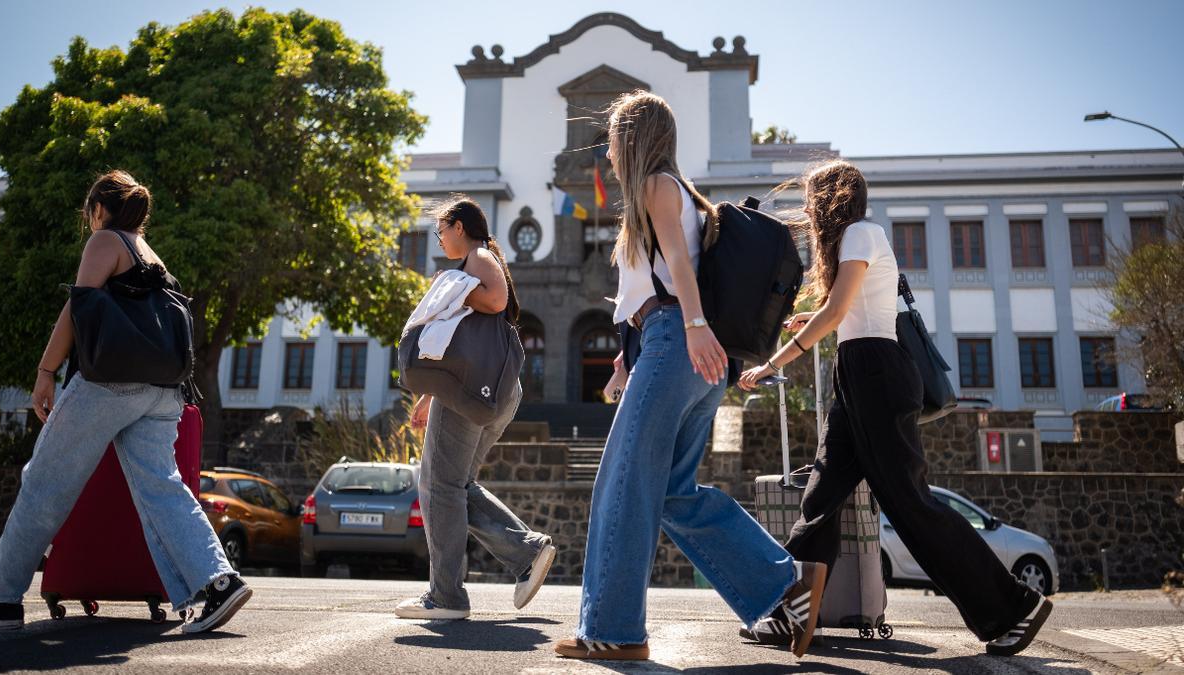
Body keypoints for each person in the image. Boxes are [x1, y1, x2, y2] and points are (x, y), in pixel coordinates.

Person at [738, 160, 1053, 656]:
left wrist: (775, 361)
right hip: (858, 372)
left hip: (877, 374)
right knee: (821, 496)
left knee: (911, 505)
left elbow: (840, 310)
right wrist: (810, 319)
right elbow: (843, 310)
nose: (809, 208)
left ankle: (1016, 607)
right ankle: (791, 612)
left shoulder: (862, 233)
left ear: (831, 200)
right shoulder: (852, 242)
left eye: (813, 197)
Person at [555, 91, 827, 662]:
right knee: (673, 494)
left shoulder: (655, 185)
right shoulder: (682, 194)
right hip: (687, 352)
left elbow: (679, 267)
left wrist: (694, 327)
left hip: (680, 343)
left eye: (610, 138)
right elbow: (656, 282)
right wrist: (629, 363)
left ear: (632, 138)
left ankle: (613, 631)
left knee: (623, 488)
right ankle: (783, 589)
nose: (605, 150)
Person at [0, 170, 250, 634]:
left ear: (99, 209)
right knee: (163, 488)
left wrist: (46, 373)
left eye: (89, 214)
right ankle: (217, 582)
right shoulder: (151, 253)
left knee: (44, 483)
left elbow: (77, 309)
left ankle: (1, 599)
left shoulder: (106, 242)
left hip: (110, 385)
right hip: (162, 392)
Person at [396, 197, 557, 620]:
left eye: (441, 230)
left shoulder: (479, 256)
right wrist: (432, 395)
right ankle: (527, 552)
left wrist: (453, 285)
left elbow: (497, 300)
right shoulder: (476, 260)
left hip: (475, 392)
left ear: (459, 226)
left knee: (437, 486)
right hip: (493, 389)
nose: (439, 238)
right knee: (456, 486)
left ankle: (446, 596)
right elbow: (463, 340)